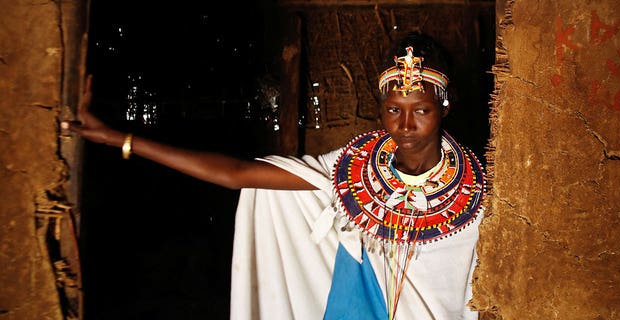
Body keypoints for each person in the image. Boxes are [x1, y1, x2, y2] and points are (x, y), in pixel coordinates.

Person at [62, 32, 485, 320]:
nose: (405, 125)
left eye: (422, 111)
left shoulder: (479, 192)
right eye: (394, 109)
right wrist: (121, 138)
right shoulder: (355, 169)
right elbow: (238, 174)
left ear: (444, 109)